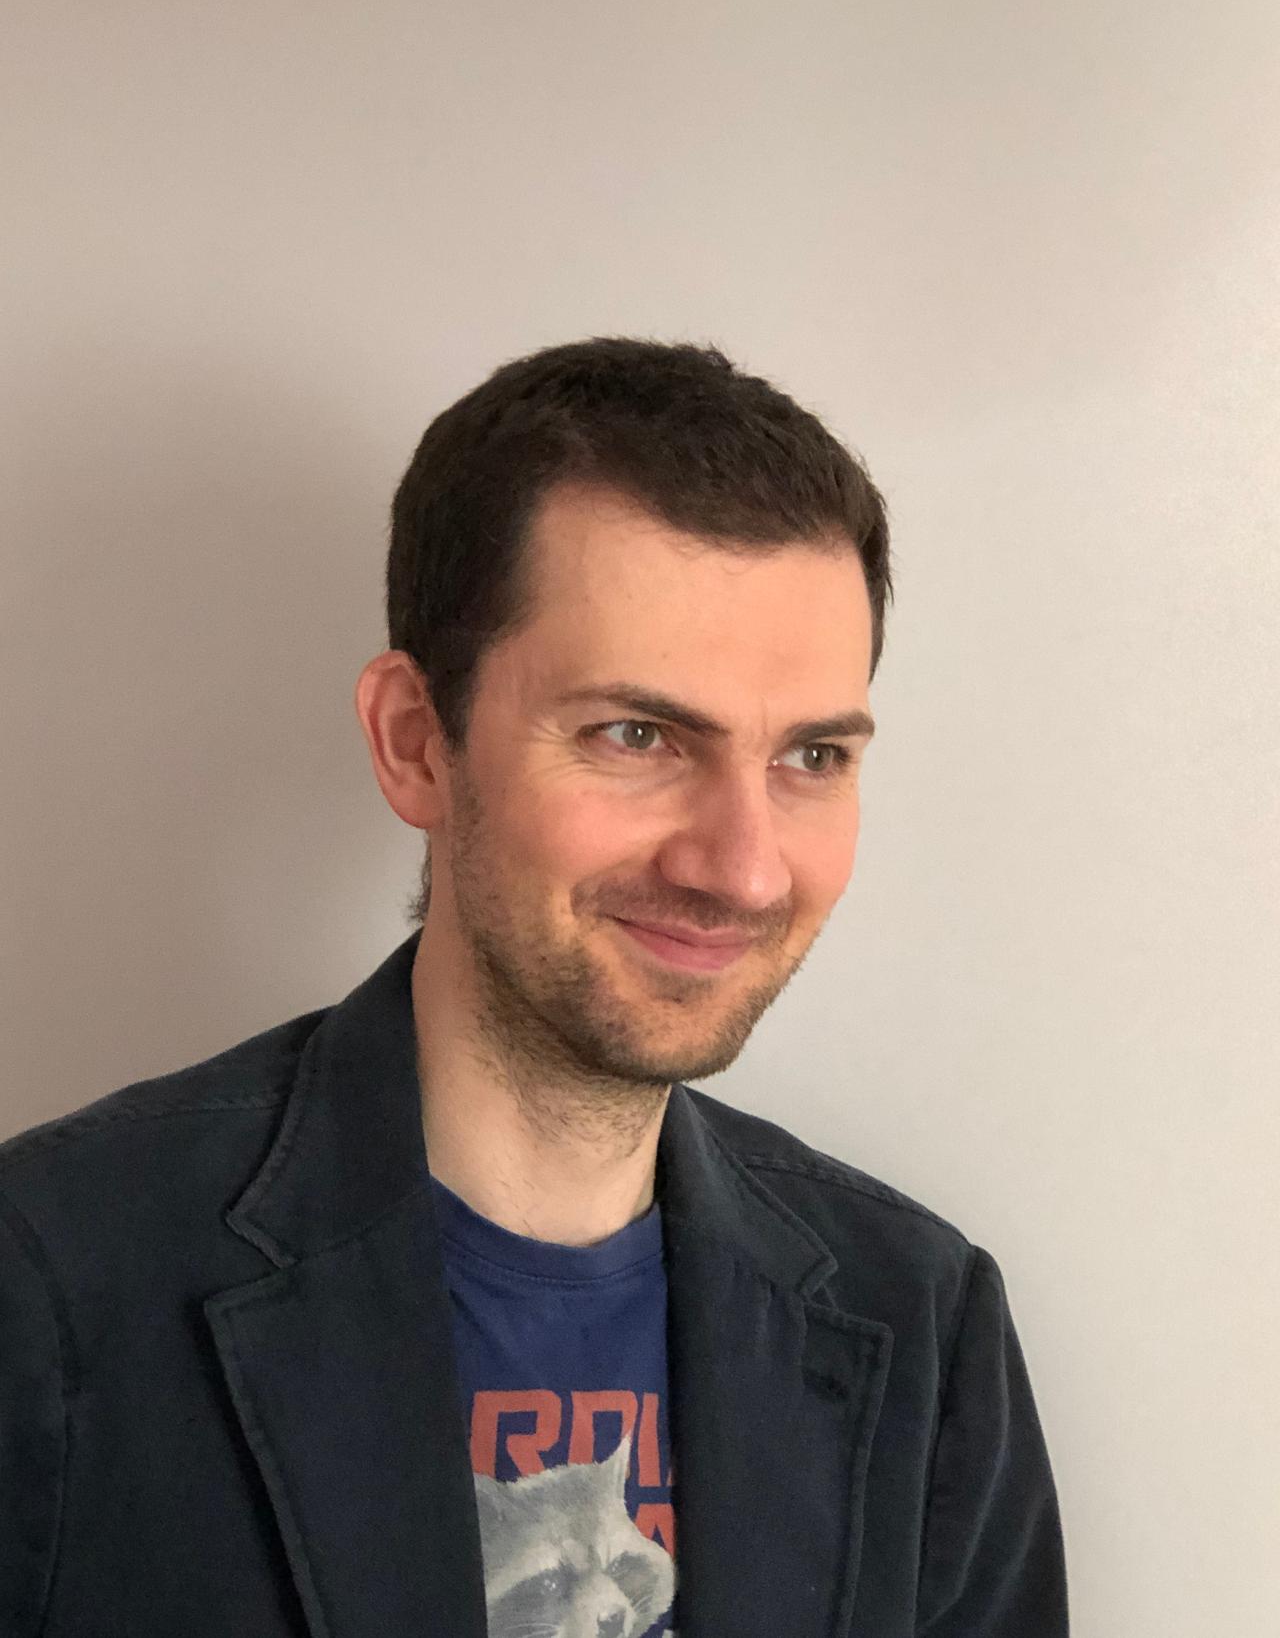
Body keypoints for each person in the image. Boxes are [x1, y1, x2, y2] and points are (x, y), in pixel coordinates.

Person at [0, 336, 1068, 1636]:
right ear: (416, 743)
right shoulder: (48, 1286)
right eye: (637, 734)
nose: (741, 868)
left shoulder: (927, 1327)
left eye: (812, 757)